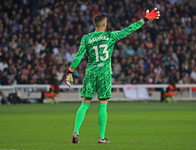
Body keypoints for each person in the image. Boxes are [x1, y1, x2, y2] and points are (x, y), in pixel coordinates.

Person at [65, 8, 160, 143]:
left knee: (84, 104)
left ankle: (75, 133)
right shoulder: (111, 36)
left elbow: (78, 56)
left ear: (95, 25)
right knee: (103, 105)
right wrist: (145, 19)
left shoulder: (86, 38)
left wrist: (70, 72)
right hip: (104, 73)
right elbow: (129, 29)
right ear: (104, 24)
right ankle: (101, 137)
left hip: (91, 73)